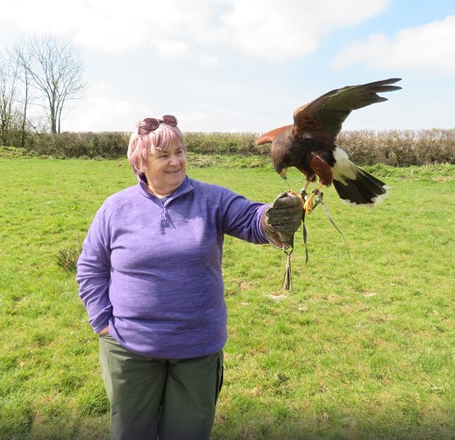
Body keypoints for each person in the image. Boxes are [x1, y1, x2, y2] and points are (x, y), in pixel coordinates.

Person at [75, 115, 302, 440]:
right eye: (164, 155)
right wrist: (102, 322)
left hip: (196, 348)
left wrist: (272, 218)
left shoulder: (212, 199)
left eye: (180, 151)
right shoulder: (116, 209)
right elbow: (90, 268)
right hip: (130, 348)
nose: (176, 161)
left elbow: (252, 218)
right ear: (141, 162)